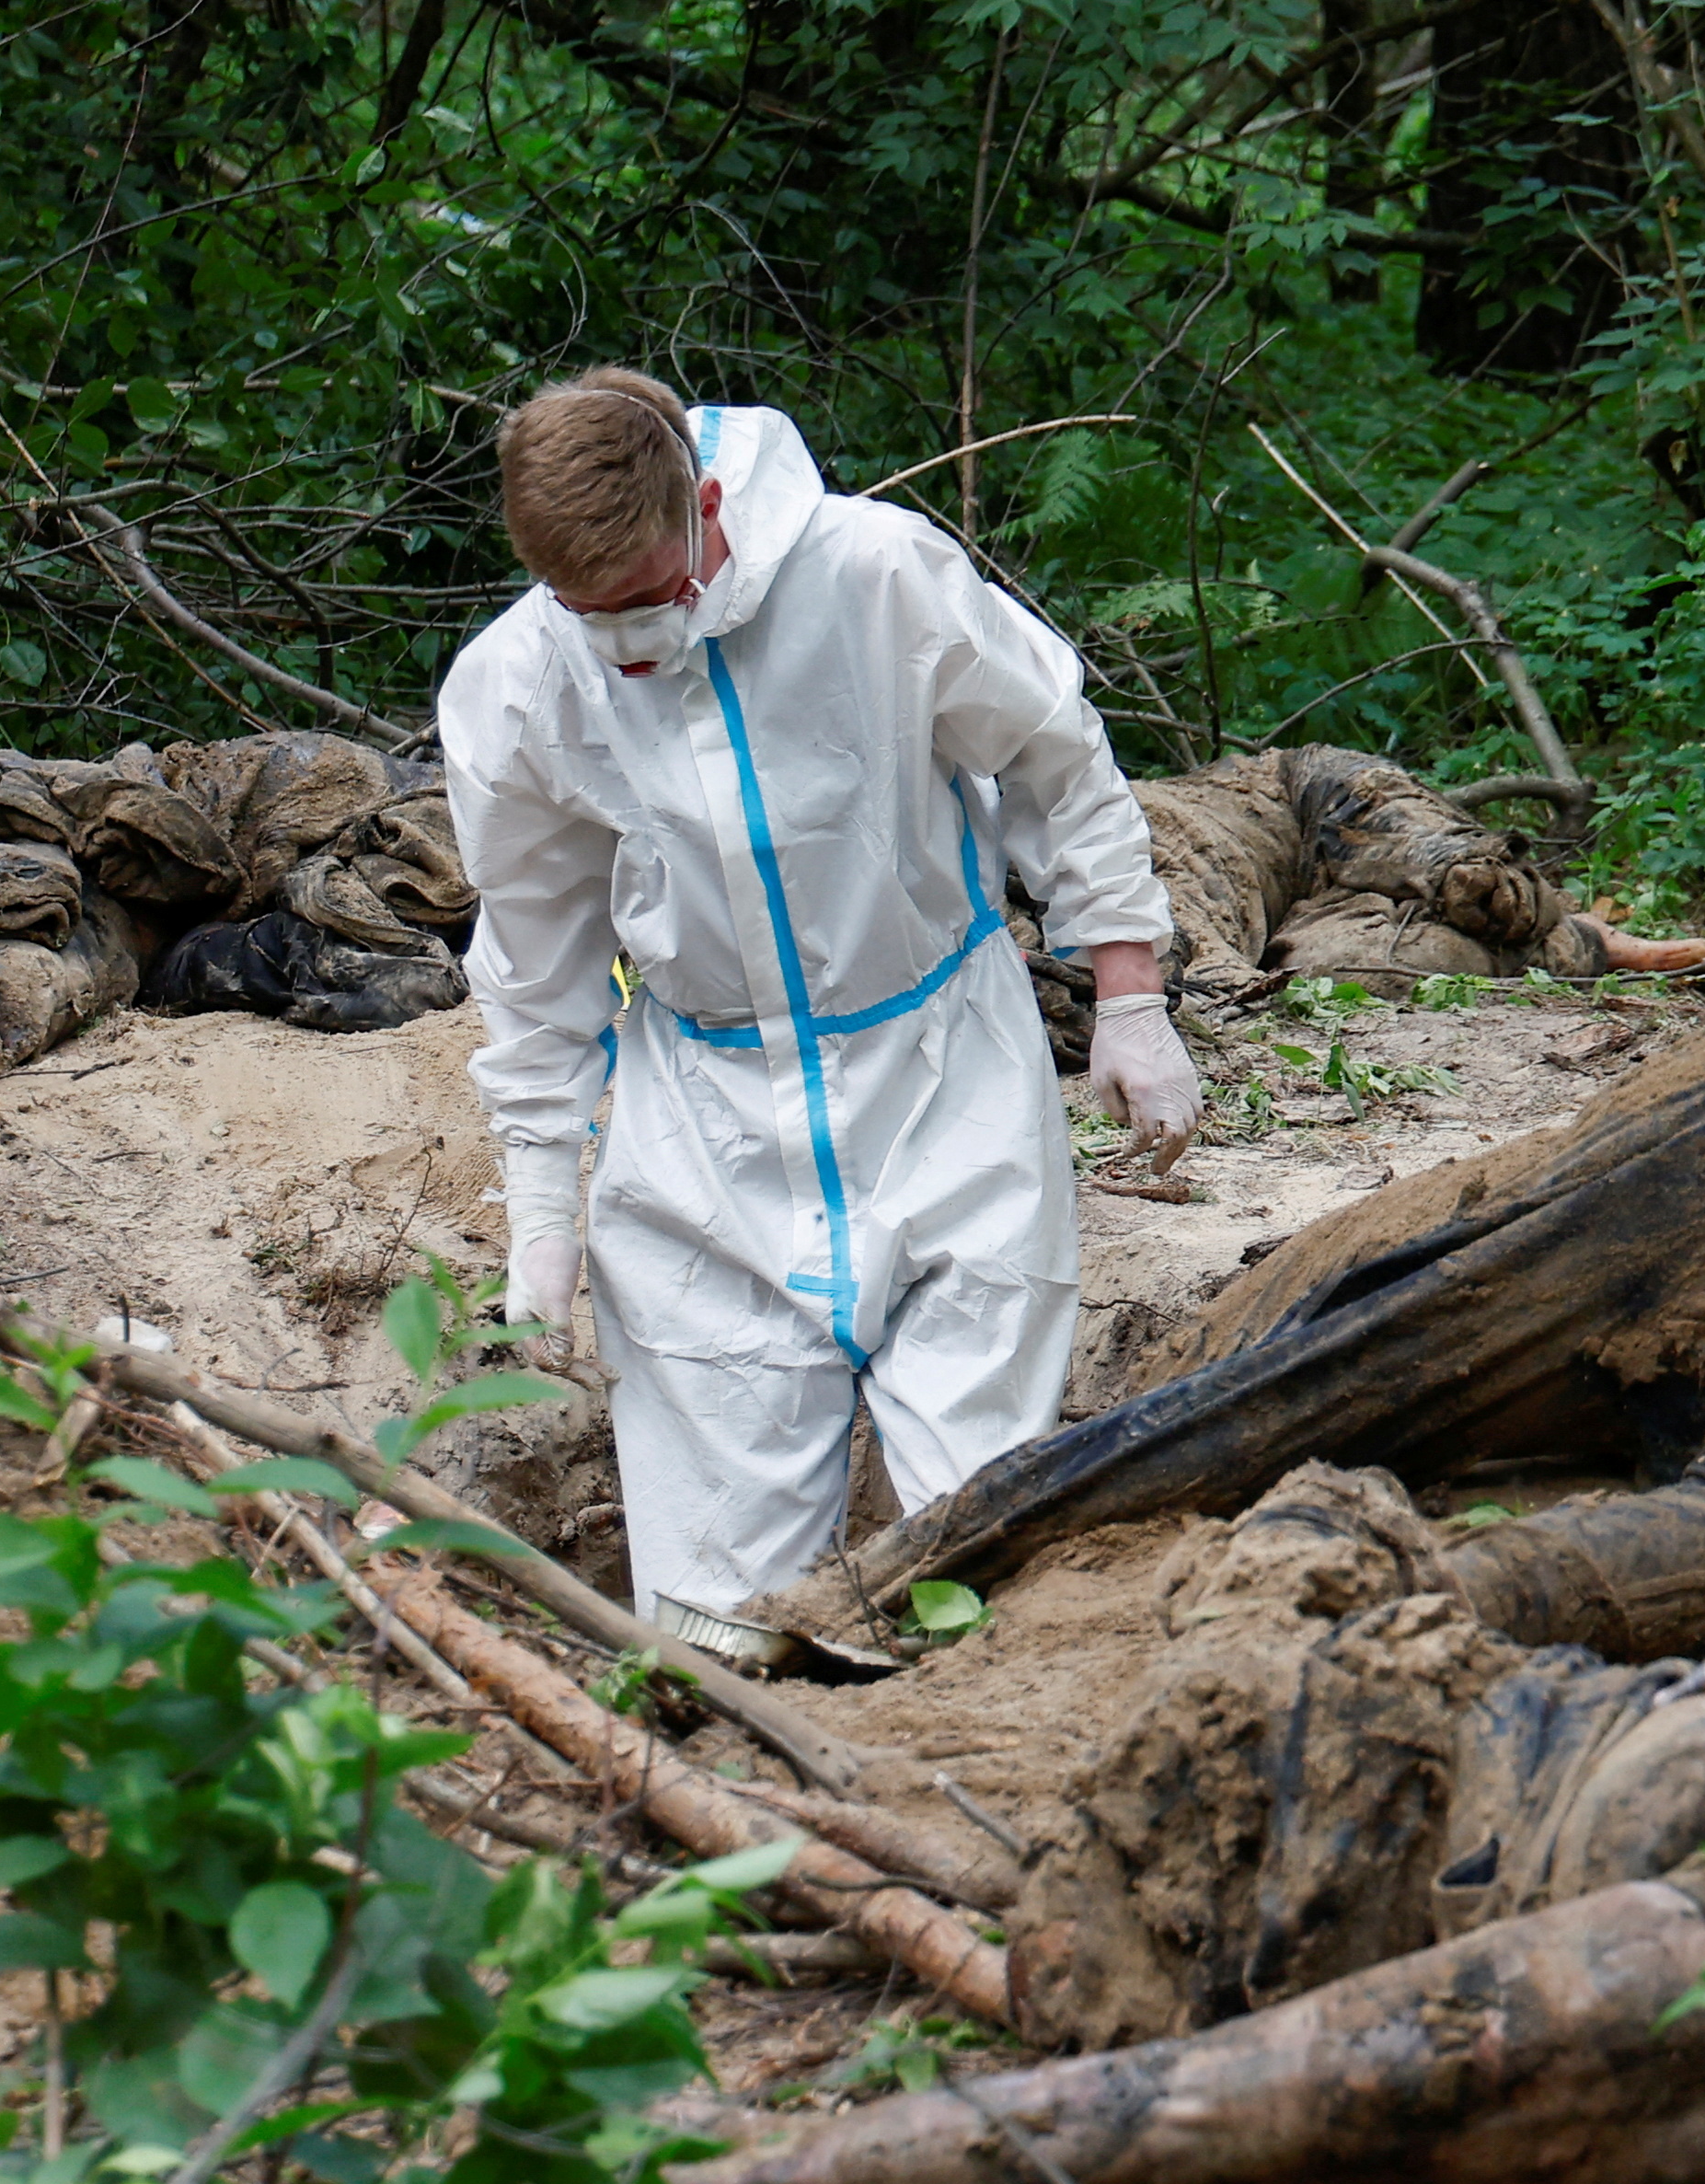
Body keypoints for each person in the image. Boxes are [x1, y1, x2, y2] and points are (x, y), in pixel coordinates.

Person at [440, 368, 1203, 1667]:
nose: (627, 641)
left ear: (710, 506)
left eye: (650, 601)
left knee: (985, 1543)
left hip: (943, 1081)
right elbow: (532, 958)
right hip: (701, 1131)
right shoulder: (517, 685)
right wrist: (541, 1211)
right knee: (706, 1637)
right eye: (590, 615)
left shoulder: (876, 573)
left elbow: (1050, 751)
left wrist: (1130, 995)